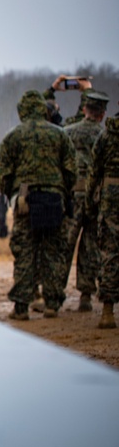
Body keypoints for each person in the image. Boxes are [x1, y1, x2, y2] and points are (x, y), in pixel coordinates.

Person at [0, 90, 77, 320]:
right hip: (53, 199)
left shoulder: (13, 136)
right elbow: (71, 169)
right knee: (53, 252)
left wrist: (11, 193)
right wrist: (62, 191)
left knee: (25, 253)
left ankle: (21, 306)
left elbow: (2, 173)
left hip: (25, 200)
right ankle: (52, 303)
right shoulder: (59, 135)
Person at [63, 89, 108, 312]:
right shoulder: (104, 136)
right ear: (102, 114)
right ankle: (86, 295)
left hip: (71, 198)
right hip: (95, 198)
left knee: (65, 245)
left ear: (84, 110)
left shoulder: (67, 133)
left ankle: (54, 293)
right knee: (90, 247)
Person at [88, 98, 119, 328]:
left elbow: (94, 170)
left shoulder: (106, 136)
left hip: (110, 197)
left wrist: (90, 200)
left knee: (110, 252)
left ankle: (108, 311)